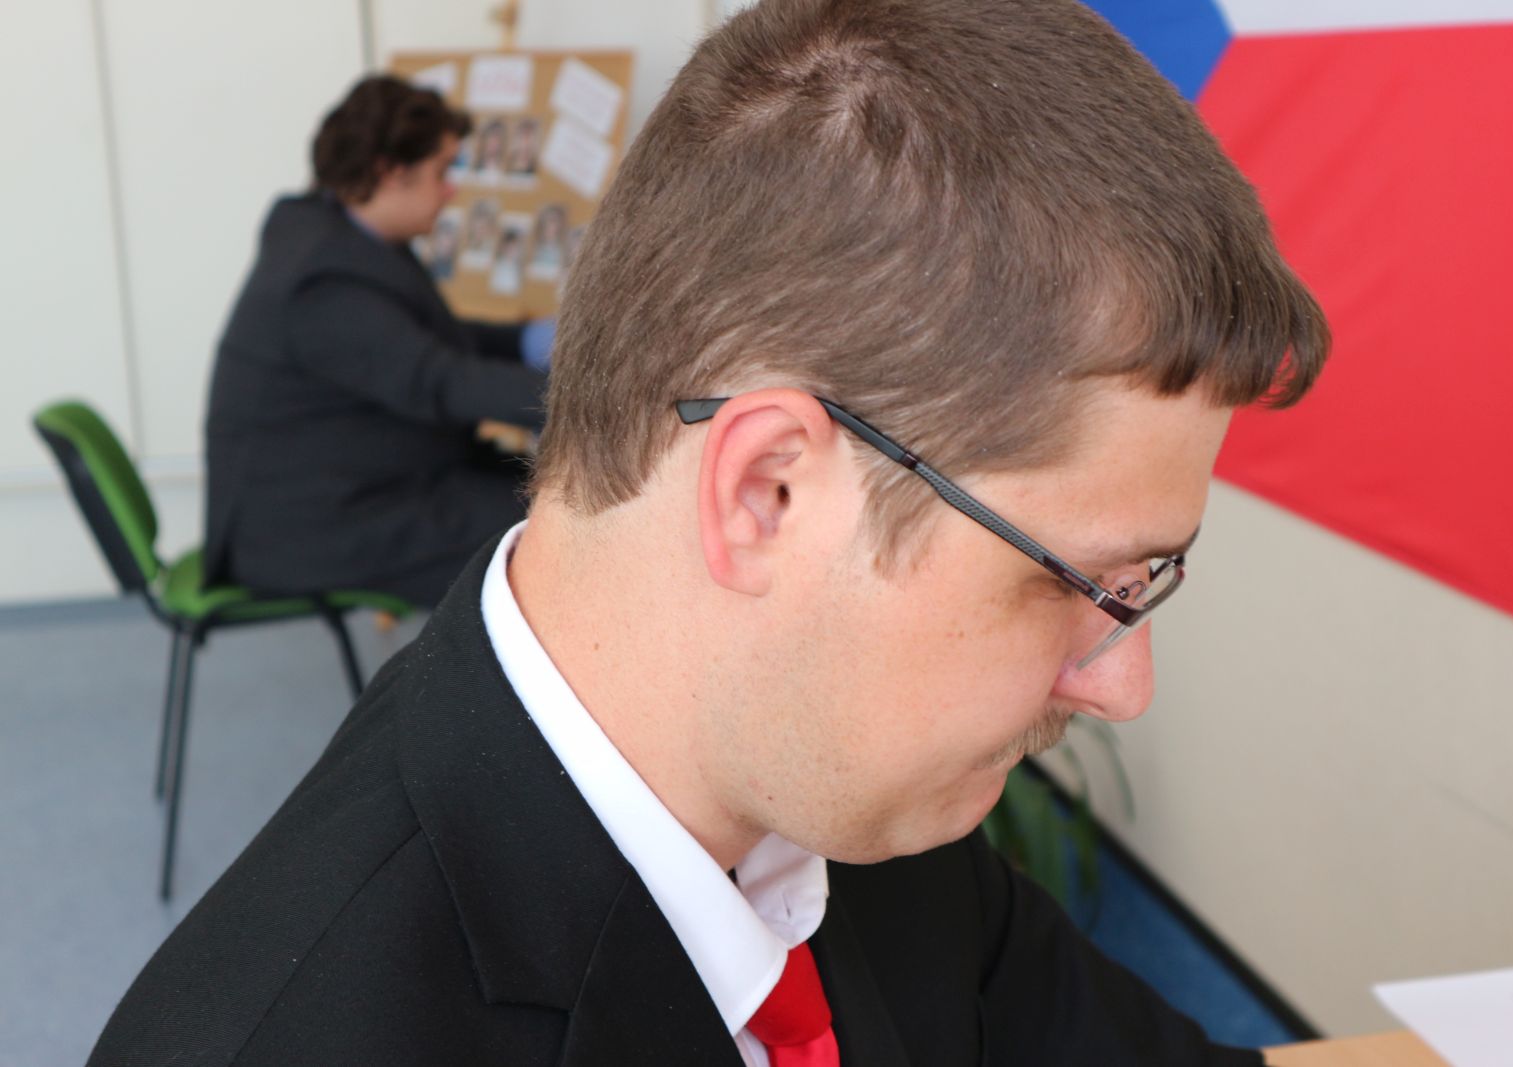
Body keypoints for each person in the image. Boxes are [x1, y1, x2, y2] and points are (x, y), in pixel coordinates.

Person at [92, 2, 1329, 1064]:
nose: (1122, 682)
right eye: (1077, 579)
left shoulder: (858, 788)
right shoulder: (301, 1030)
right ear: (766, 492)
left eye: (1146, 578)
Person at [202, 76, 551, 608]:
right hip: (307, 526)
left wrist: (528, 340)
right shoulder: (320, 281)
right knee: (543, 529)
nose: (452, 191)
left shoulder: (344, 237)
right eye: (441, 172)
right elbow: (438, 380)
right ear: (390, 173)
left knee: (546, 498)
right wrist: (590, 400)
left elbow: (429, 342)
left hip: (366, 485)